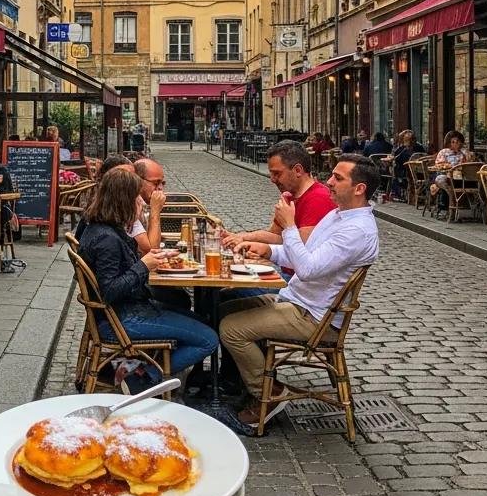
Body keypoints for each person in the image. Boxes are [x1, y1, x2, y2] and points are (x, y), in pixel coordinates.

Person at [219, 153, 381, 432]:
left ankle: (269, 395)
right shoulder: (338, 215)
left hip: (314, 318)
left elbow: (306, 268)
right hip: (297, 301)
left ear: (359, 189)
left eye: (337, 178)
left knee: (231, 328)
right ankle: (242, 383)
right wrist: (268, 250)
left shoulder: (356, 231)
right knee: (225, 306)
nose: (328, 182)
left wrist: (290, 225)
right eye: (331, 175)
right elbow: (303, 255)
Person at [79, 167, 218, 397]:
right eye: (136, 198)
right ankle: (141, 377)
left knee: (203, 321)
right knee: (209, 339)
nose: (141, 203)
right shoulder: (106, 239)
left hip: (128, 311)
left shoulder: (106, 228)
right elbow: (110, 291)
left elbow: (131, 260)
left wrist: (154, 259)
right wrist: (144, 266)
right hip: (121, 320)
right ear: (124, 201)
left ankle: (130, 369)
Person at [219, 141, 335, 253]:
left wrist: (247, 238)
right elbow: (275, 235)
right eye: (271, 174)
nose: (272, 180)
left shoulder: (318, 198)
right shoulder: (290, 196)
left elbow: (300, 246)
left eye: (277, 174)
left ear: (298, 170)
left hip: (297, 272)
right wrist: (239, 237)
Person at [430, 130, 473, 214]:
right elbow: (440, 165)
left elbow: (470, 163)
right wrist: (448, 166)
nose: (456, 144)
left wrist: (465, 153)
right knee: (443, 179)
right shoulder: (444, 152)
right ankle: (446, 205)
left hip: (464, 178)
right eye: (453, 142)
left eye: (458, 142)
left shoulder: (464, 152)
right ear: (449, 143)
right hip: (449, 176)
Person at [391, 130, 425, 200]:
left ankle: (397, 193)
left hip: (406, 174)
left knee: (394, 170)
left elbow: (396, 159)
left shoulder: (402, 150)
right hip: (422, 173)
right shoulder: (420, 147)